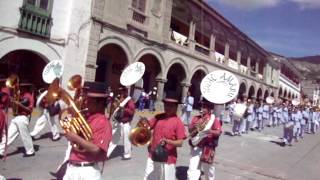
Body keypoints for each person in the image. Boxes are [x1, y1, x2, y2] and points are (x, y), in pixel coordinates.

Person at [63, 81, 112, 180]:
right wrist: (69, 127)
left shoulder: (103, 122)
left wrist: (74, 137)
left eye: (89, 100)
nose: (86, 102)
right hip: (72, 167)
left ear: (100, 103)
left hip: (87, 171)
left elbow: (96, 149)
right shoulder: (87, 117)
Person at [143, 91, 186, 180]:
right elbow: (147, 127)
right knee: (148, 177)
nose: (168, 107)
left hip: (168, 158)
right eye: (166, 105)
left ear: (176, 107)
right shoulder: (158, 117)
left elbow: (180, 142)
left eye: (171, 105)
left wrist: (169, 142)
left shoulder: (178, 122)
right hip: (153, 154)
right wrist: (143, 124)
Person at [187, 99, 222, 180]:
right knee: (192, 168)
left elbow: (218, 132)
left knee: (208, 170)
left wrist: (210, 131)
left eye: (204, 107)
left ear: (209, 109)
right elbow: (190, 130)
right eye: (202, 106)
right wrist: (194, 127)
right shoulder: (196, 118)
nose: (202, 108)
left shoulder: (213, 119)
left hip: (208, 148)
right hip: (196, 146)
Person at [0, 83, 35, 158]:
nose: (19, 89)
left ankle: (30, 151)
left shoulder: (28, 96)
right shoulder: (18, 96)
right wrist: (12, 101)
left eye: (21, 87)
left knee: (25, 136)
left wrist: (18, 104)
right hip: (16, 118)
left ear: (25, 88)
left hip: (23, 117)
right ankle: (1, 151)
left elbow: (29, 110)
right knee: (8, 135)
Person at [108, 86, 135, 160]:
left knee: (126, 139)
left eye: (123, 91)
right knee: (113, 138)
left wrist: (123, 108)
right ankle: (107, 154)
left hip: (125, 123)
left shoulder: (129, 100)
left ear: (126, 92)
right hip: (118, 122)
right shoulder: (120, 98)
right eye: (120, 91)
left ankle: (127, 154)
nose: (121, 93)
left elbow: (132, 112)